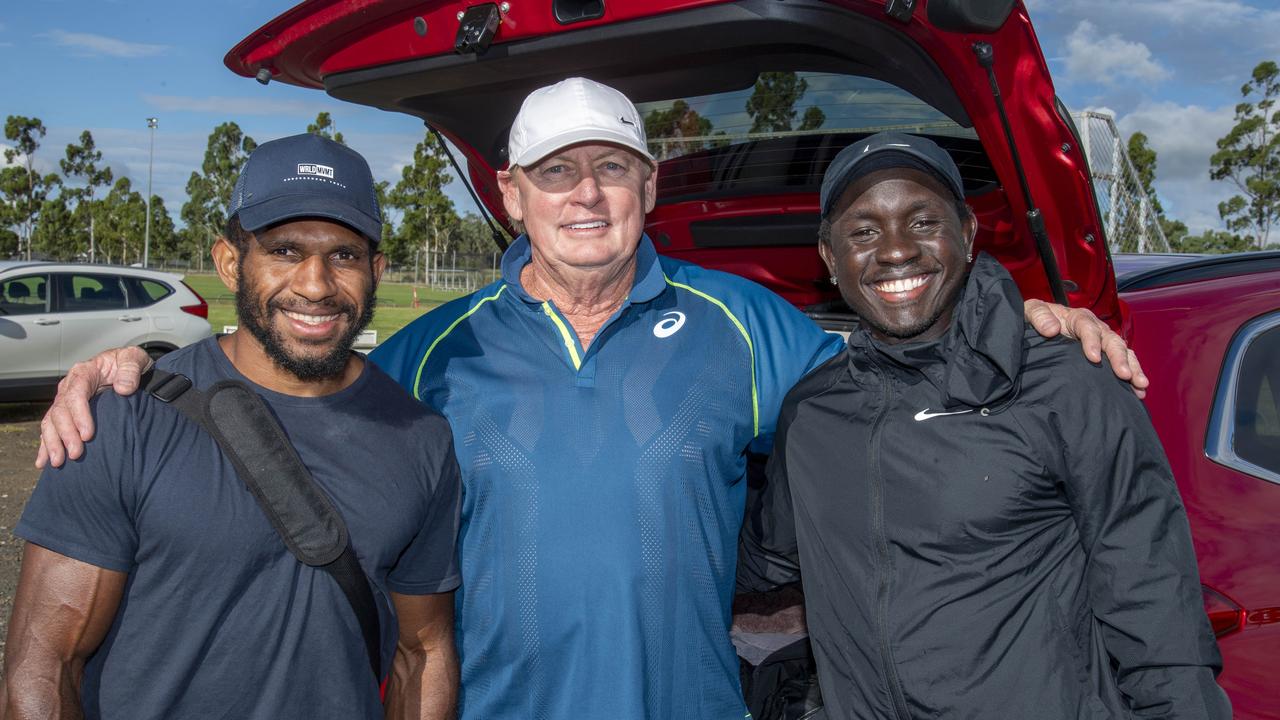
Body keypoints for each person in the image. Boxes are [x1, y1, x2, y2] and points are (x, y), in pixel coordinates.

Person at [36, 80, 1145, 718]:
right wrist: (130, 369)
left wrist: (1025, 320)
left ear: (647, 186)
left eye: (610, 168)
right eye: (555, 173)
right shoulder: (433, 353)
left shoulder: (745, 324)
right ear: (511, 195)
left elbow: (898, 396)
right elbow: (278, 400)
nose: (585, 194)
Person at [743, 132, 1230, 719]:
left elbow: (1154, 600)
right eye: (863, 231)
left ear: (968, 234)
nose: (896, 251)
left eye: (923, 222)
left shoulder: (1065, 381)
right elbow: (761, 557)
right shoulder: (814, 411)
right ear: (829, 256)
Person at [3, 134, 462, 719]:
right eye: (285, 251)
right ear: (229, 263)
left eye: (343, 255)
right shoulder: (122, 420)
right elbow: (43, 662)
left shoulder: (421, 438)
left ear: (375, 270)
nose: (316, 285)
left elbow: (422, 652)